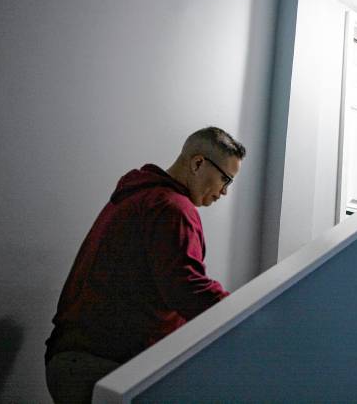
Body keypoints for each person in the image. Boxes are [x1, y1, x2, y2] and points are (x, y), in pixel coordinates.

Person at [44, 126, 245, 403]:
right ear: (198, 162)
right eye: (226, 179)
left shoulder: (137, 197)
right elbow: (187, 288)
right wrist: (247, 315)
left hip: (72, 361)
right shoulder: (172, 207)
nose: (224, 192)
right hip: (106, 366)